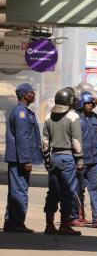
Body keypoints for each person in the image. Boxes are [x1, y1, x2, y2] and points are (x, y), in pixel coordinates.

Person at [42, 87, 83, 236]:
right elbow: (76, 141)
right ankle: (65, 226)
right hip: (68, 159)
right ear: (71, 101)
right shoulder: (73, 117)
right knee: (67, 193)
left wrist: (47, 160)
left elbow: (45, 141)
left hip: (54, 157)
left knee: (53, 192)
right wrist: (79, 161)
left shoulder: (48, 116)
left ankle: (49, 225)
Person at [3, 83, 43, 233]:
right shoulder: (21, 112)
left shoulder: (22, 111)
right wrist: (26, 160)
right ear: (25, 95)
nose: (34, 94)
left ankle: (10, 222)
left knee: (15, 190)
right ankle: (17, 223)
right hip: (20, 159)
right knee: (19, 191)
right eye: (32, 92)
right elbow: (22, 137)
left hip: (17, 158)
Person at [70, 91, 97, 228]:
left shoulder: (95, 117)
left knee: (95, 189)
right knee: (77, 190)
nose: (90, 106)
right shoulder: (75, 117)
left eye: (92, 103)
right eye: (88, 103)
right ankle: (76, 217)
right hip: (80, 160)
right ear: (82, 103)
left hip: (94, 161)